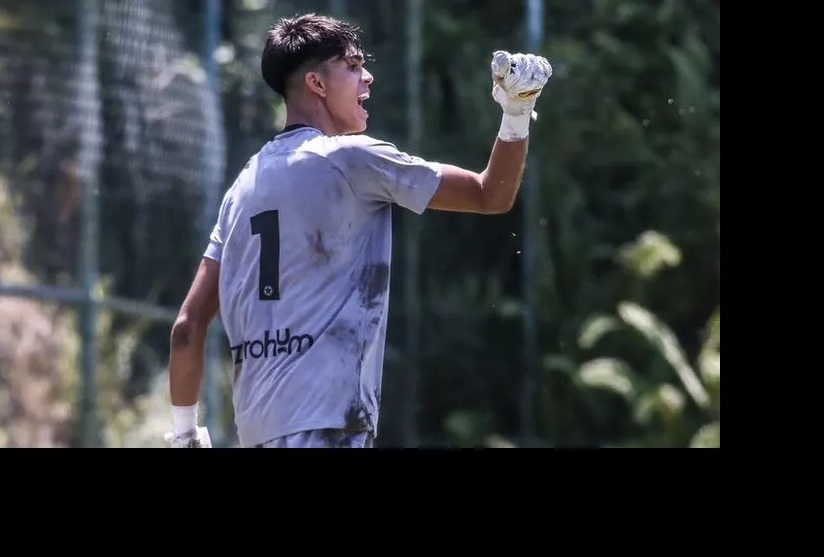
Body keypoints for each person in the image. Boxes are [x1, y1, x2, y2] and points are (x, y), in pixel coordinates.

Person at [164, 13, 551, 448]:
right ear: (317, 84)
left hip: (257, 434)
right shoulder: (351, 158)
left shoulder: (240, 191)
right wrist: (517, 112)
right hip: (329, 427)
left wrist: (184, 434)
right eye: (352, 66)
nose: (368, 77)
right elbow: (489, 195)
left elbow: (187, 326)